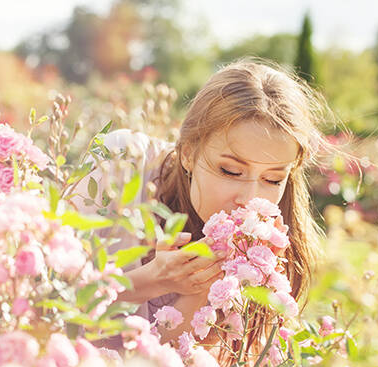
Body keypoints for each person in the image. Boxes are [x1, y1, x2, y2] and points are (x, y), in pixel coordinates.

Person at [75, 59, 329, 351]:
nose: (249, 198)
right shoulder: (123, 162)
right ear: (188, 152)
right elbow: (50, 307)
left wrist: (204, 291)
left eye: (272, 179)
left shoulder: (267, 250)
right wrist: (151, 280)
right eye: (230, 171)